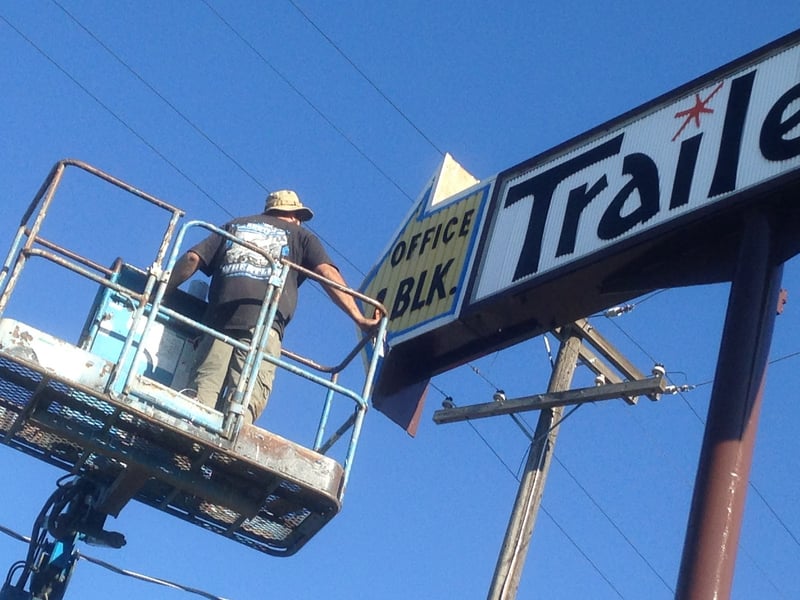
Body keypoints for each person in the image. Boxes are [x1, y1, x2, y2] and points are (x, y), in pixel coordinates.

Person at [165, 189, 381, 426]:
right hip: (263, 325)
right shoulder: (301, 236)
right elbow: (327, 274)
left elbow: (192, 259)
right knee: (244, 403)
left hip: (217, 324)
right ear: (293, 215)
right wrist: (359, 318)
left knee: (201, 395)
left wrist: (161, 290)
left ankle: (190, 435)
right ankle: (232, 433)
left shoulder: (234, 226)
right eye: (299, 217)